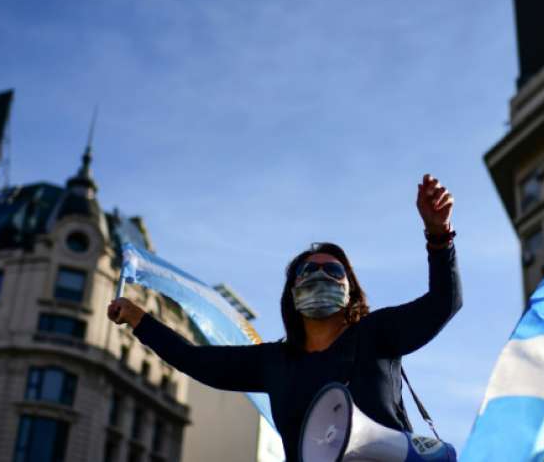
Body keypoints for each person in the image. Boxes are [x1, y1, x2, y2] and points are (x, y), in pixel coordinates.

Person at [108, 174, 462, 462]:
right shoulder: (273, 362)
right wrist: (140, 319)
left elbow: (443, 303)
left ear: (351, 290)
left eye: (334, 270)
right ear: (292, 293)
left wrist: (439, 236)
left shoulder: (378, 334)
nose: (320, 275)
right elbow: (194, 360)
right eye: (307, 270)